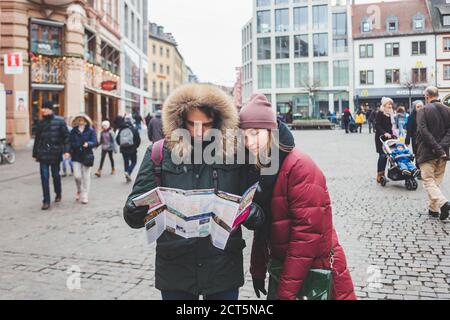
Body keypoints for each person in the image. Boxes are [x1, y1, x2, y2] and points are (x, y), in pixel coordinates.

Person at [122, 84, 264, 301]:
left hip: (223, 266)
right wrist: (135, 209)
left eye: (206, 125)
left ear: (218, 122)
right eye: (192, 124)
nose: (199, 132)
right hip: (175, 267)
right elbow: (133, 213)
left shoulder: (237, 153)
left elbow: (258, 208)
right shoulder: (159, 153)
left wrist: (252, 212)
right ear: (179, 120)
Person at [239, 94, 356, 300]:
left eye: (255, 133)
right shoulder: (260, 165)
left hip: (316, 272)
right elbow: (265, 226)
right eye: (244, 136)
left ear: (271, 130)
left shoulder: (299, 166)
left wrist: (285, 293)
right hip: (286, 269)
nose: (249, 142)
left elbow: (306, 237)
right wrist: (257, 268)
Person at [416, 87, 450, 220]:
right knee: (435, 182)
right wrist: (441, 148)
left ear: (426, 96)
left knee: (428, 181)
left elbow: (423, 132)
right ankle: (433, 209)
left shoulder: (423, 110)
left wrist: (436, 147)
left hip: (427, 152)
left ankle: (443, 203)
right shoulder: (448, 110)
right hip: (443, 153)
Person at [32, 101, 70, 210]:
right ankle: (46, 201)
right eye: (42, 108)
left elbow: (66, 137)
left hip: (55, 153)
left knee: (56, 176)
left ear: (50, 109)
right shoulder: (40, 123)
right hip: (43, 154)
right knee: (44, 177)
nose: (42, 110)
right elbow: (37, 139)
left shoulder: (60, 121)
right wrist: (35, 153)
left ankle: (58, 192)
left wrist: (66, 151)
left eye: (44, 108)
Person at [69, 114, 97, 205]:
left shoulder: (91, 130)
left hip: (87, 156)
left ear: (86, 121)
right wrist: (69, 150)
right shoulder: (73, 131)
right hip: (76, 156)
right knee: (77, 176)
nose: (81, 122)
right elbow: (70, 142)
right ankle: (79, 190)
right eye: (79, 120)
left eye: (83, 120)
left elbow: (95, 141)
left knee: (86, 177)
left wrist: (88, 144)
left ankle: (85, 195)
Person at [375, 97, 395, 184]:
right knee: (382, 156)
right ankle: (380, 175)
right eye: (388, 104)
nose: (390, 105)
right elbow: (377, 125)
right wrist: (385, 133)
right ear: (384, 105)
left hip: (389, 138)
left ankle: (390, 174)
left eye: (391, 104)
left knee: (390, 156)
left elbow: (391, 127)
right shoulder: (380, 113)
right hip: (381, 138)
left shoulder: (390, 114)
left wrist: (393, 134)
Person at [116, 116, 141, 183]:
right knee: (134, 162)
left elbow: (117, 139)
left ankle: (126, 172)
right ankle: (129, 172)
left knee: (126, 161)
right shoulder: (134, 129)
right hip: (132, 148)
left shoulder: (121, 129)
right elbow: (138, 139)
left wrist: (121, 145)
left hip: (123, 149)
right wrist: (136, 146)